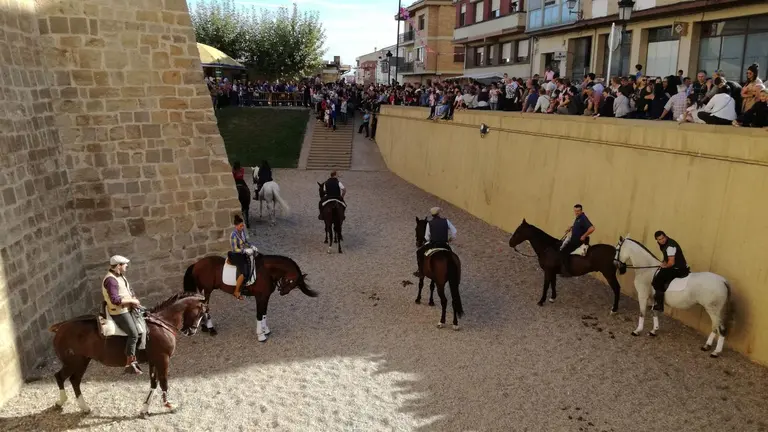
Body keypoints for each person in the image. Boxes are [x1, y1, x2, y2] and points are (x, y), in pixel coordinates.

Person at [102, 255, 144, 375]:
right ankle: (129, 362)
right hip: (119, 312)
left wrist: (134, 298)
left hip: (128, 308)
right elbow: (115, 300)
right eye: (125, 264)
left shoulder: (119, 276)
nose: (127, 266)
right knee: (133, 334)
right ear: (119, 266)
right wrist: (132, 301)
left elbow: (128, 289)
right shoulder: (111, 280)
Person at [651, 231, 690, 312]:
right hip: (675, 266)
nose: (662, 240)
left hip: (678, 269)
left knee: (657, 281)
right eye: (659, 239)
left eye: (663, 238)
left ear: (666, 236)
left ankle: (660, 306)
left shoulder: (670, 246)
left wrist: (664, 266)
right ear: (657, 240)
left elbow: (671, 262)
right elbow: (667, 258)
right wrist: (663, 263)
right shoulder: (663, 244)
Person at [414, 207, 457, 278]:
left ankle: (420, 271)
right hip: (444, 244)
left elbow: (427, 237)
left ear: (432, 215)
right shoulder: (446, 221)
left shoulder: (429, 223)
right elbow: (454, 231)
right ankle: (454, 272)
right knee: (452, 256)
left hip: (433, 244)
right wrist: (450, 239)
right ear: (439, 213)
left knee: (419, 252)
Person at [560, 204, 595, 276]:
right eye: (575, 211)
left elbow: (592, 228)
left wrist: (584, 236)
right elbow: (579, 227)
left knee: (564, 251)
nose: (576, 212)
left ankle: (567, 272)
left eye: (578, 211)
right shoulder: (578, 218)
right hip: (573, 239)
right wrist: (571, 228)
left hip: (577, 241)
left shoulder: (583, 218)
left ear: (581, 211)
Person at [229, 214, 258, 300]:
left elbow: (245, 242)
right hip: (236, 254)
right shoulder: (233, 235)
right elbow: (234, 249)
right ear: (236, 226)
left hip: (242, 252)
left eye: (243, 226)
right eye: (241, 226)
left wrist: (251, 246)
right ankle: (236, 291)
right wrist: (245, 250)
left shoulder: (242, 232)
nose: (242, 227)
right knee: (244, 271)